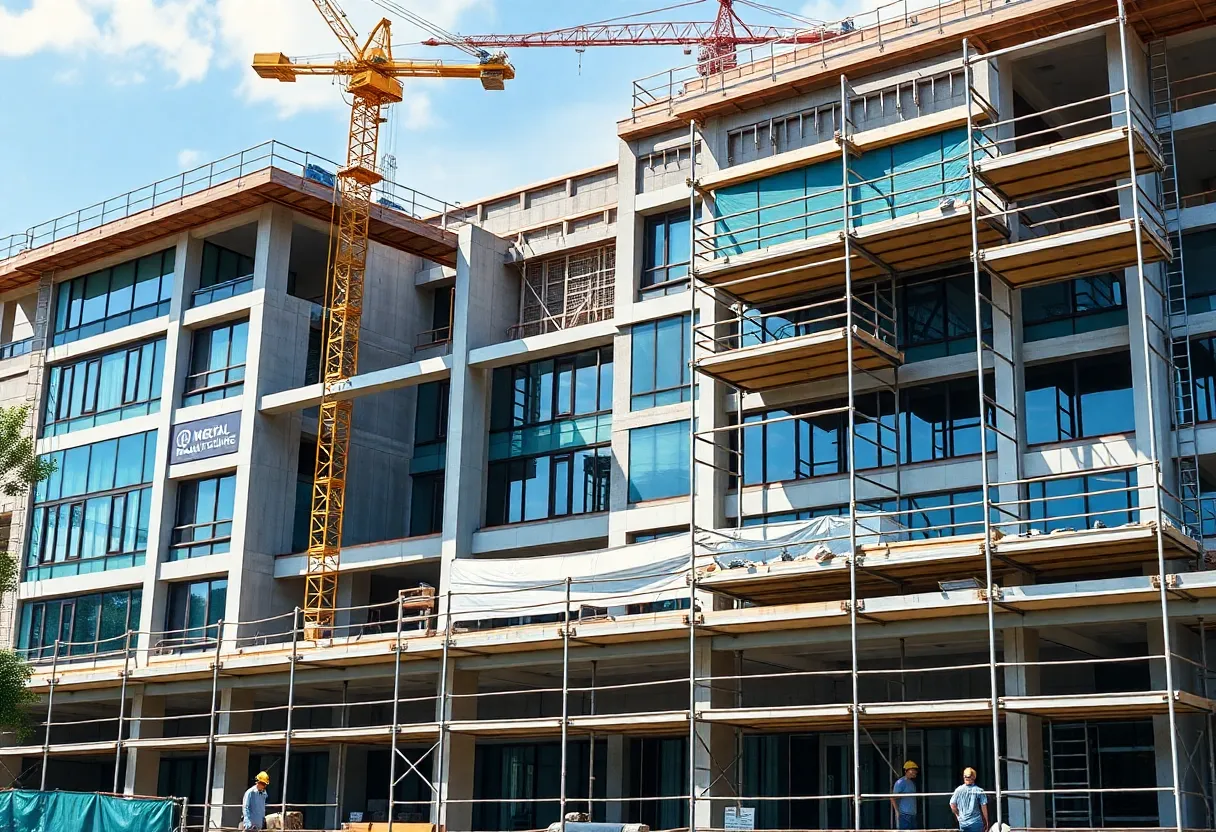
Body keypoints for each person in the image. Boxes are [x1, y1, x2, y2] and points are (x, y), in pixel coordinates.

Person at [949, 767, 988, 832]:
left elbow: (952, 804)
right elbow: (984, 807)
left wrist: (958, 816)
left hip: (963, 823)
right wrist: (986, 821)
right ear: (974, 777)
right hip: (976, 822)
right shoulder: (979, 790)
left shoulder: (958, 790)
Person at [890, 760, 919, 829]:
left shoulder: (912, 783)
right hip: (904, 815)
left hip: (912, 814)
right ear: (906, 771)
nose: (915, 772)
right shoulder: (900, 782)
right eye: (912, 770)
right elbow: (892, 797)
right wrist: (897, 811)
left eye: (915, 770)